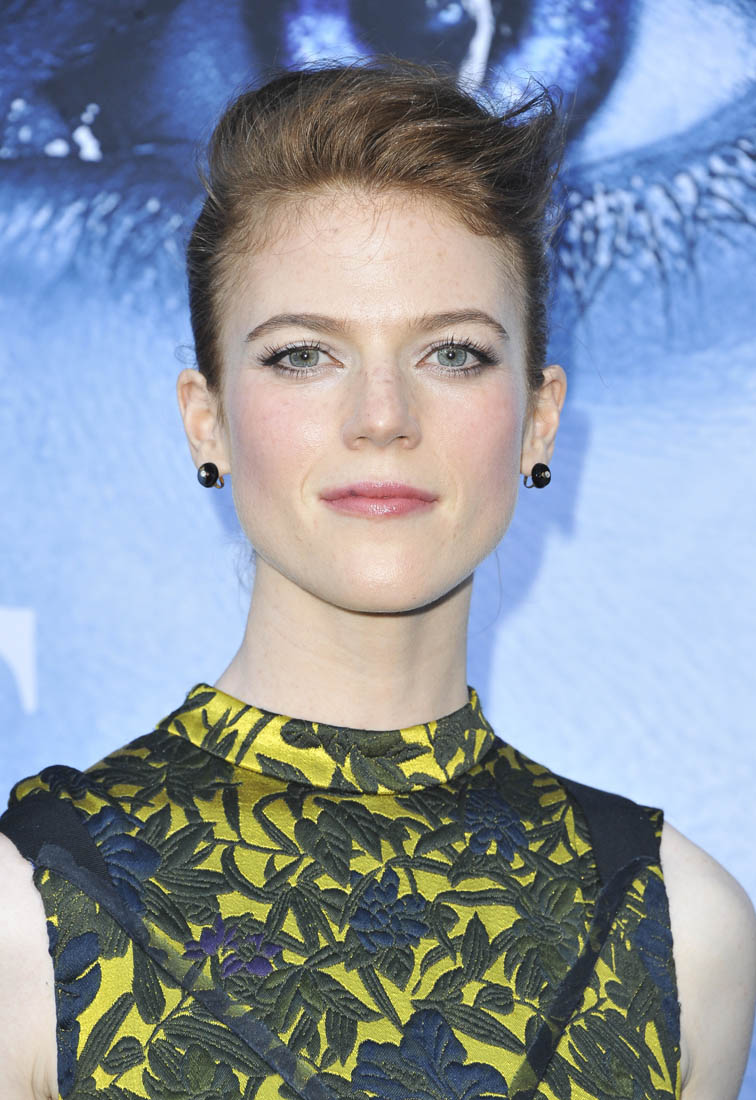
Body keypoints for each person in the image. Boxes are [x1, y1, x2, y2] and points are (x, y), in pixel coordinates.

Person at [1, 56, 754, 1100]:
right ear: (205, 419)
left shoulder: (679, 925)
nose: (383, 417)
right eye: (303, 355)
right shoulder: (27, 919)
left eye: (454, 353)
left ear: (539, 419)